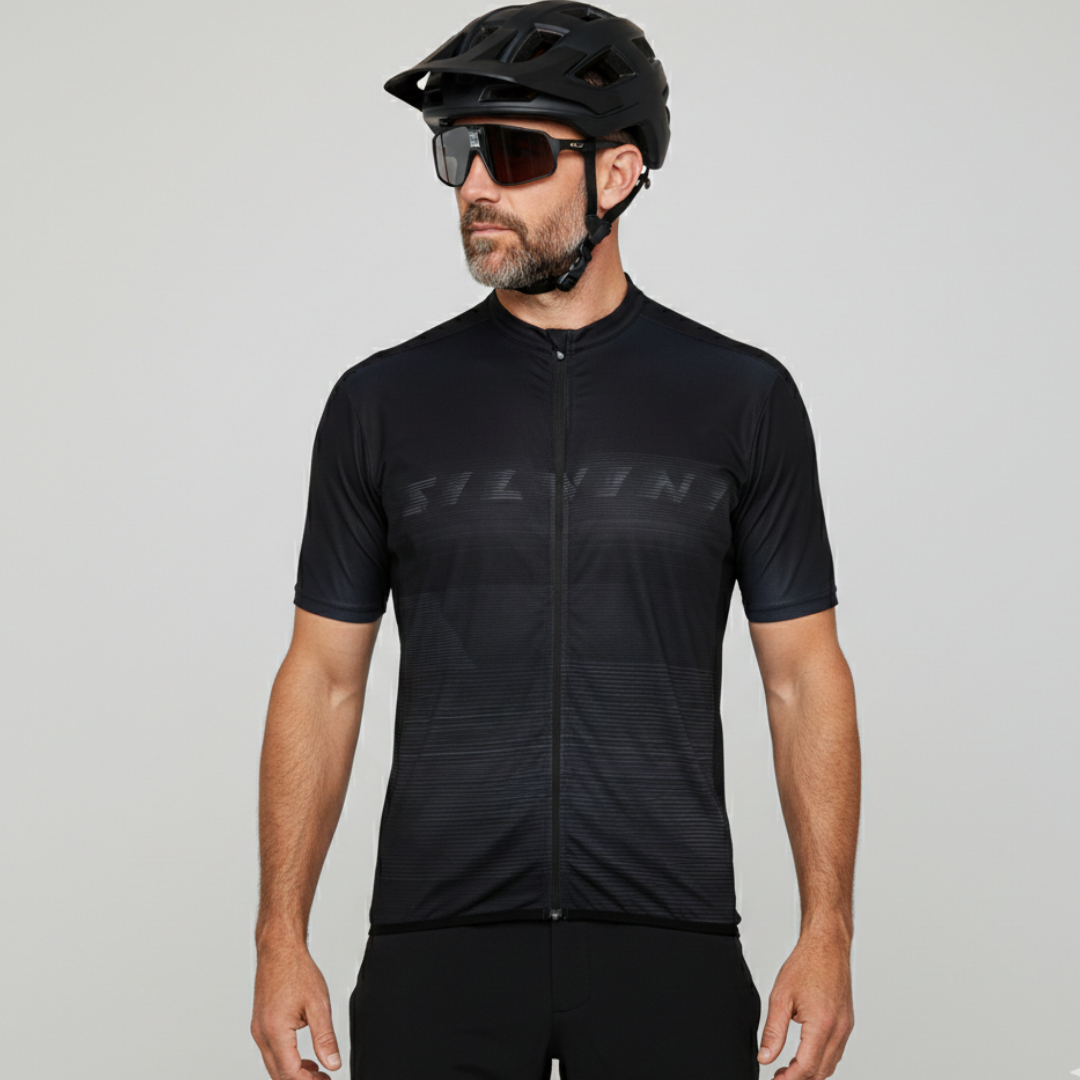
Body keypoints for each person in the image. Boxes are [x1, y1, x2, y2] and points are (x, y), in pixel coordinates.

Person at [250, 3, 860, 1079]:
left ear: (617, 174)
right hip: (438, 946)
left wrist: (829, 931)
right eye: (461, 152)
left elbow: (803, 677)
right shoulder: (381, 403)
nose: (476, 186)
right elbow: (323, 679)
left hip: (666, 940)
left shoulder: (742, 397)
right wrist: (278, 935)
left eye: (517, 154)